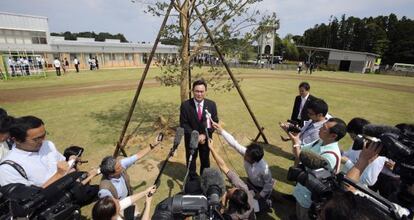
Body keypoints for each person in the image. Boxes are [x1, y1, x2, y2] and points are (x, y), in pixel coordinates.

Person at [288, 117, 347, 220]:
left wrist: (296, 142)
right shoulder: (320, 141)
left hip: (309, 197)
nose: (320, 129)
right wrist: (296, 138)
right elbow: (301, 150)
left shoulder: (330, 156)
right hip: (302, 189)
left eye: (324, 128)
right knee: (298, 213)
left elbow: (300, 156)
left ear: (333, 136)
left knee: (304, 216)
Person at [212, 121, 274, 211]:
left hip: (261, 188)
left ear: (254, 160)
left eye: (247, 156)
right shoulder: (247, 153)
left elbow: (268, 184)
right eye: (246, 153)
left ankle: (268, 202)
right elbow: (234, 143)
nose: (244, 155)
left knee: (256, 207)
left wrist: (261, 194)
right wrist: (221, 130)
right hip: (250, 183)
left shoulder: (265, 169)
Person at [0, 116, 71, 188]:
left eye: (44, 135)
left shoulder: (48, 145)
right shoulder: (8, 168)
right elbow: (31, 198)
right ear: (17, 140)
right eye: (36, 139)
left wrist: (71, 161)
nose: (42, 141)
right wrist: (59, 175)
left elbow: (64, 166)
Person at [208, 140, 256, 219]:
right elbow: (223, 166)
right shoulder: (243, 188)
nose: (230, 188)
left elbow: (221, 215)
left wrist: (223, 204)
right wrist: (212, 148)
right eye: (234, 189)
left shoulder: (232, 216)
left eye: (230, 191)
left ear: (232, 204)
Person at [180, 79, 218, 176]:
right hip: (191, 139)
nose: (199, 94)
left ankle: (204, 179)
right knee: (191, 160)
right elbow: (183, 124)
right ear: (193, 91)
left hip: (206, 139)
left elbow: (215, 122)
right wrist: (196, 136)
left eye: (202, 91)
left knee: (205, 160)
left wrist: (205, 136)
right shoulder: (185, 105)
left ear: (205, 91)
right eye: (197, 91)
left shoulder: (211, 105)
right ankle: (192, 179)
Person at [341, 118, 387, 187]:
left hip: (355, 189)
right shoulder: (360, 142)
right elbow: (350, 155)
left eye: (351, 135)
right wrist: (341, 153)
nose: (351, 137)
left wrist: (347, 162)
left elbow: (369, 180)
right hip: (345, 181)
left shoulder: (376, 152)